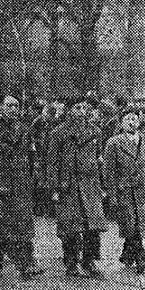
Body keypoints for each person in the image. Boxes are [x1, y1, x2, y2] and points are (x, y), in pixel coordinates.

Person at [0, 95, 44, 279]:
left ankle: (27, 264)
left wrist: (32, 179)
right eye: (9, 105)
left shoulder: (24, 130)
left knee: (23, 226)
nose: (13, 109)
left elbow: (31, 156)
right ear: (1, 108)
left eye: (16, 106)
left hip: (20, 185)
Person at [47, 97, 108, 277]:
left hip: (90, 184)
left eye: (85, 107)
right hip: (68, 185)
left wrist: (102, 185)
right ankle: (71, 262)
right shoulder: (59, 132)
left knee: (93, 226)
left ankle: (89, 261)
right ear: (70, 110)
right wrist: (54, 188)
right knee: (70, 227)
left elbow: (99, 160)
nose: (82, 111)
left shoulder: (96, 132)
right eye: (78, 107)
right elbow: (52, 162)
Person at [103, 107, 145, 274]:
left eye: (134, 119)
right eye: (128, 119)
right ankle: (141, 256)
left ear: (139, 121)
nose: (131, 122)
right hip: (125, 191)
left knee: (139, 224)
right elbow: (109, 172)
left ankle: (128, 253)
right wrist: (112, 194)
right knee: (132, 224)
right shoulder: (113, 143)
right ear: (121, 122)